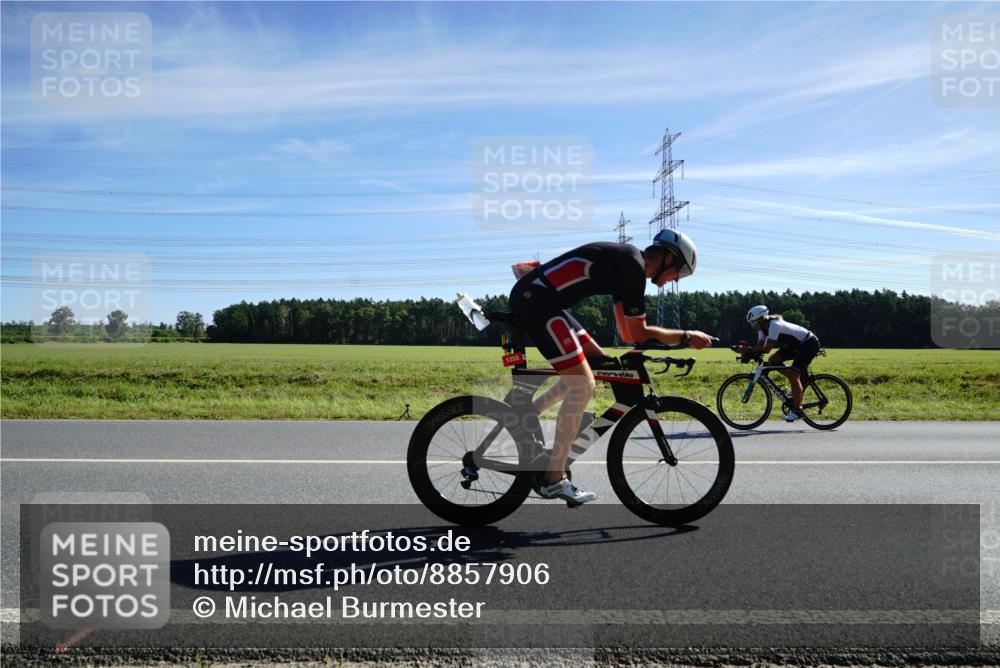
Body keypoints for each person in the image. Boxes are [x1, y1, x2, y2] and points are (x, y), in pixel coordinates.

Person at [507, 230, 714, 505]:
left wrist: (663, 341)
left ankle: (528, 414)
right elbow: (638, 333)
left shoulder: (629, 265)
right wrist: (686, 337)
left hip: (542, 300)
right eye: (680, 272)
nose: (677, 279)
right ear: (668, 258)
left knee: (598, 364)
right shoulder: (632, 266)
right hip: (538, 301)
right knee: (583, 385)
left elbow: (628, 333)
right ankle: (553, 479)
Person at [740, 305, 821, 422]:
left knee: (794, 376)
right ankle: (795, 385)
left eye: (754, 322)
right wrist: (749, 352)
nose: (753, 325)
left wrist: (747, 350)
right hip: (797, 345)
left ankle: (798, 410)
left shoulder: (774, 325)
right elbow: (760, 346)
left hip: (809, 344)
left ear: (761, 319)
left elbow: (767, 349)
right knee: (773, 360)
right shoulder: (761, 328)